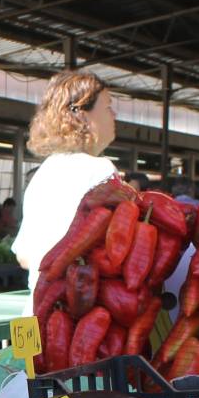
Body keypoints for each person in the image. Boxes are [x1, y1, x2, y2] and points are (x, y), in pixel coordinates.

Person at [11, 71, 121, 304]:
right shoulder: (100, 170)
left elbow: (24, 257)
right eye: (108, 106)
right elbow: (116, 251)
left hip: (31, 316)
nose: (114, 114)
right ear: (81, 114)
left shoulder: (45, 172)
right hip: (73, 315)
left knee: (29, 343)